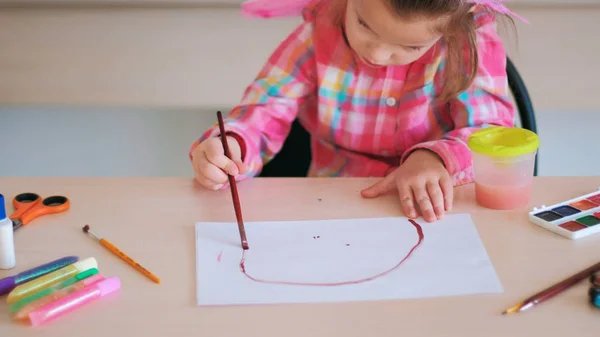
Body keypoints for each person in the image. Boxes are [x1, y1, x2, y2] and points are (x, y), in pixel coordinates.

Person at [189, 0, 526, 222]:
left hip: (439, 209)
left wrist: (437, 159)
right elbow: (265, 109)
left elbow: (490, 131)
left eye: (410, 46)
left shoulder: (467, 44)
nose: (378, 54)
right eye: (364, 24)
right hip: (333, 206)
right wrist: (233, 144)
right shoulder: (317, 34)